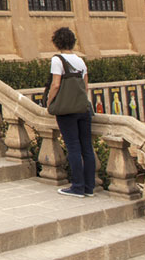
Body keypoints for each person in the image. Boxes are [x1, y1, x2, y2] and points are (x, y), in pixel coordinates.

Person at [46, 27, 95, 197]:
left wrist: (49, 101)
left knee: (73, 147)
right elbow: (85, 86)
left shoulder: (57, 60)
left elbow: (56, 84)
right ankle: (89, 187)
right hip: (83, 108)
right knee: (87, 148)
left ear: (57, 42)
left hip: (67, 110)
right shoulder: (81, 61)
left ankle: (77, 186)